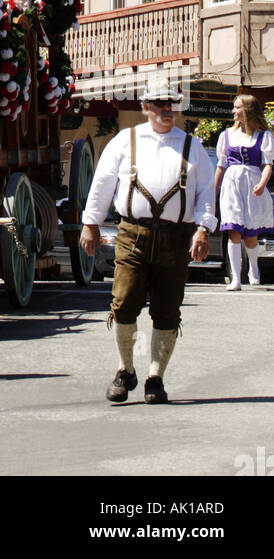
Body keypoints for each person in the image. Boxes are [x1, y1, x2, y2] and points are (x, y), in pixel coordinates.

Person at [80, 85, 215, 405]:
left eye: (170, 103)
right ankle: (125, 369)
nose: (165, 109)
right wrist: (90, 223)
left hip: (176, 237)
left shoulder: (192, 146)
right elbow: (102, 183)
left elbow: (206, 192)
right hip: (132, 234)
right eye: (158, 103)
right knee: (124, 301)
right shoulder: (125, 142)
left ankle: (156, 377)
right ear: (145, 106)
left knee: (168, 310)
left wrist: (203, 229)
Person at [215, 93, 274, 290]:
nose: (234, 111)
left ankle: (254, 268)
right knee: (233, 230)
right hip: (231, 184)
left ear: (248, 110)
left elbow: (267, 164)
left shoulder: (263, 136)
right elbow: (221, 165)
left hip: (252, 183)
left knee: (250, 234)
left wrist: (262, 183)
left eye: (238, 107)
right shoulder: (226, 136)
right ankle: (236, 278)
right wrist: (213, 188)